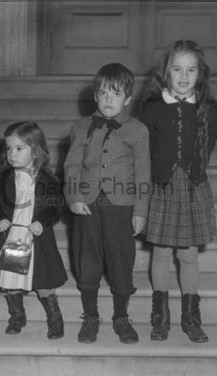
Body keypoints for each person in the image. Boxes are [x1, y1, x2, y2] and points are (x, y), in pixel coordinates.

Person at [139, 40, 217, 343]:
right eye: (177, 69)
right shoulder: (151, 109)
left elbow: (206, 150)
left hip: (191, 187)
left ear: (200, 73)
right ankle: (160, 316)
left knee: (188, 254)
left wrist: (190, 175)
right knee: (160, 253)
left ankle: (191, 317)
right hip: (161, 186)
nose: (183, 76)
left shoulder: (209, 109)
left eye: (191, 69)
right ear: (166, 72)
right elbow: (144, 151)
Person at [64, 63, 151, 344]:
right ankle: (91, 316)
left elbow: (143, 174)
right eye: (103, 93)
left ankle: (121, 316)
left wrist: (140, 211)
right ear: (95, 96)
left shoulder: (138, 130)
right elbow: (72, 165)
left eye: (115, 93)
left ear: (128, 98)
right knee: (86, 259)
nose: (108, 99)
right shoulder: (80, 127)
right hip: (87, 204)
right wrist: (74, 197)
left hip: (121, 205)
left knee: (120, 260)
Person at [0, 121, 67, 340]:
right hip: (11, 236)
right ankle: (17, 315)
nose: (12, 154)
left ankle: (55, 317)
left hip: (35, 237)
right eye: (9, 148)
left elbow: (56, 206)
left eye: (19, 148)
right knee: (11, 278)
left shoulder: (48, 181)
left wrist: (43, 220)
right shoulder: (1, 179)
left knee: (43, 280)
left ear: (36, 151)